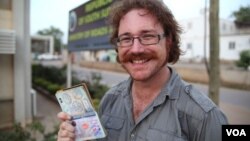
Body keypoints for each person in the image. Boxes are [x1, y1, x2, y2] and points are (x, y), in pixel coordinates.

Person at [57, 0, 228, 140]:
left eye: (147, 36)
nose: (136, 49)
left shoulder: (204, 116)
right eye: (126, 38)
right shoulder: (110, 100)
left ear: (168, 41)